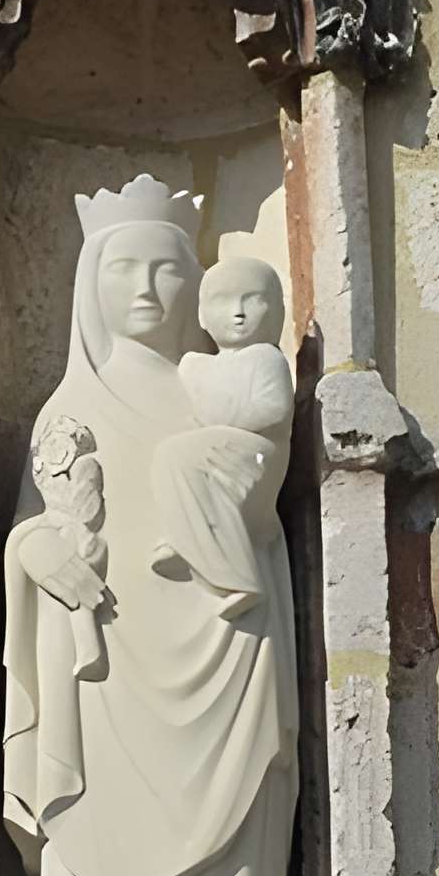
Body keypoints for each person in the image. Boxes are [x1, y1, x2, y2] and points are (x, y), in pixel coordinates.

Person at [0, 177, 300, 876]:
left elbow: (257, 510)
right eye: (124, 267)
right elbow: (34, 533)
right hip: (109, 694)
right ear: (89, 283)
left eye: (168, 266)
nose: (148, 286)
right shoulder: (68, 409)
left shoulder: (215, 389)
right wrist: (43, 555)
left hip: (221, 674)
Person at [150, 255, 293, 616]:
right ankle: (191, 539)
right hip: (220, 448)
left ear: (276, 310)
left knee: (180, 455)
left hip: (257, 453)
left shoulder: (265, 358)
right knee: (173, 456)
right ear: (201, 314)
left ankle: (239, 579)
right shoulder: (199, 365)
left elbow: (274, 410)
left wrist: (220, 421)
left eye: (253, 299)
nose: (239, 312)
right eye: (223, 300)